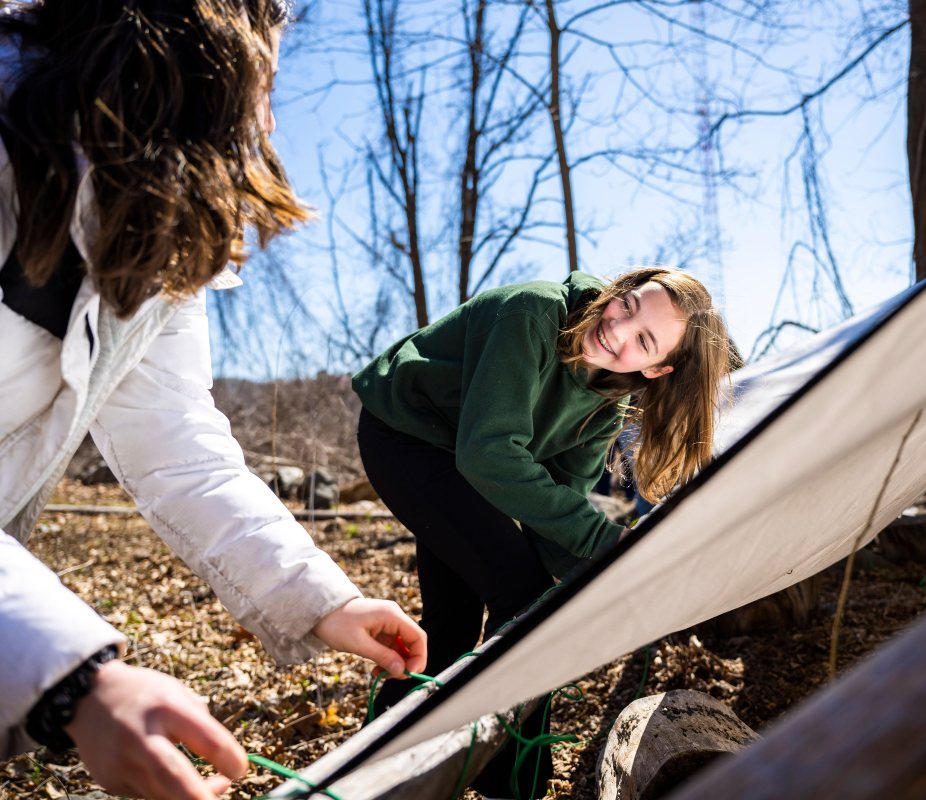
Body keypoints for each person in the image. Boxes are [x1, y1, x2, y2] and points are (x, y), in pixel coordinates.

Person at [0, 3, 427, 799]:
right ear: (206, 51)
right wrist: (73, 682)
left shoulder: (155, 222)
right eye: (267, 76)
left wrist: (321, 598)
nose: (270, 115)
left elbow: (178, 443)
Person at [354, 266, 735, 797]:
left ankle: (385, 756)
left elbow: (558, 508)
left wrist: (610, 577)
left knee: (458, 619)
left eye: (643, 339)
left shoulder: (608, 401)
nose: (618, 329)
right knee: (523, 595)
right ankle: (510, 782)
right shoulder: (532, 314)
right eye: (626, 304)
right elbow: (489, 454)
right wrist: (606, 543)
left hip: (461, 455)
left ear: (657, 369)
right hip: (408, 435)